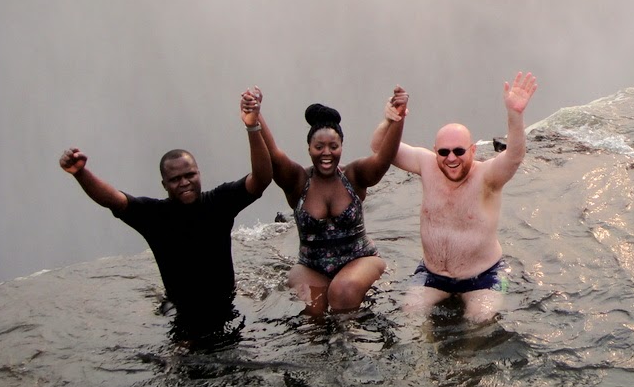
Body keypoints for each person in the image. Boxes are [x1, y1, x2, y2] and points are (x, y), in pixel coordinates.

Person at [58, 87, 273, 342]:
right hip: (181, 312)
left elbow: (261, 179)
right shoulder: (154, 216)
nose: (184, 182)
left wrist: (252, 127)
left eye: (189, 175)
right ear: (164, 184)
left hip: (225, 305)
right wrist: (81, 173)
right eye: (175, 179)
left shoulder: (219, 202)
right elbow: (112, 199)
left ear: (199, 174)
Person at [371, 72, 537, 324]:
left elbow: (514, 156)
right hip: (432, 274)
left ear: (472, 150)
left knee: (480, 320)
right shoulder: (426, 164)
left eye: (459, 151)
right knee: (411, 314)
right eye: (444, 152)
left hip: (485, 276)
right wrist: (388, 120)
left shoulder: (488, 176)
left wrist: (515, 114)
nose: (451, 158)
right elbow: (379, 148)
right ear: (435, 151)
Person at [257, 88, 408, 316]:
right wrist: (255, 117)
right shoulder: (298, 181)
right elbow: (274, 156)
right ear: (309, 149)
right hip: (311, 266)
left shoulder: (354, 176)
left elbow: (383, 159)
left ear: (341, 147)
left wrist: (398, 118)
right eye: (319, 147)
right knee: (313, 307)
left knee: (342, 291)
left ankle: (350, 336)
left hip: (360, 259)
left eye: (333, 147)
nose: (326, 153)